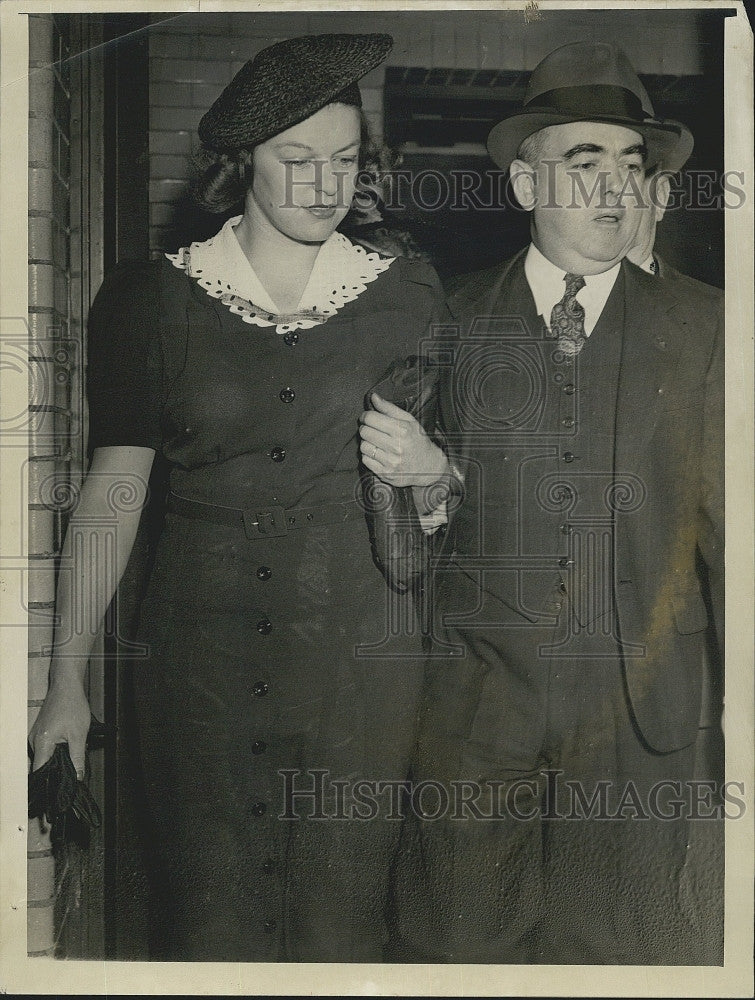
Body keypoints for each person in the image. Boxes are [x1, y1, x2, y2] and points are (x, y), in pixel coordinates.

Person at [28, 32, 450, 963]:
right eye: (296, 160)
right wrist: (66, 679)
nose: (323, 185)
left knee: (342, 921)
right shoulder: (146, 299)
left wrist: (434, 471)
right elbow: (115, 488)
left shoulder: (408, 292)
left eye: (344, 160)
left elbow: (458, 481)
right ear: (240, 163)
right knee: (203, 921)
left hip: (357, 667)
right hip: (192, 665)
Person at [365, 41, 724, 964]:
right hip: (479, 703)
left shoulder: (708, 326)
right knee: (463, 946)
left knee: (625, 953)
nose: (614, 187)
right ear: (525, 184)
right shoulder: (447, 315)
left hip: (643, 711)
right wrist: (432, 486)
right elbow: (409, 518)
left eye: (630, 165)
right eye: (583, 161)